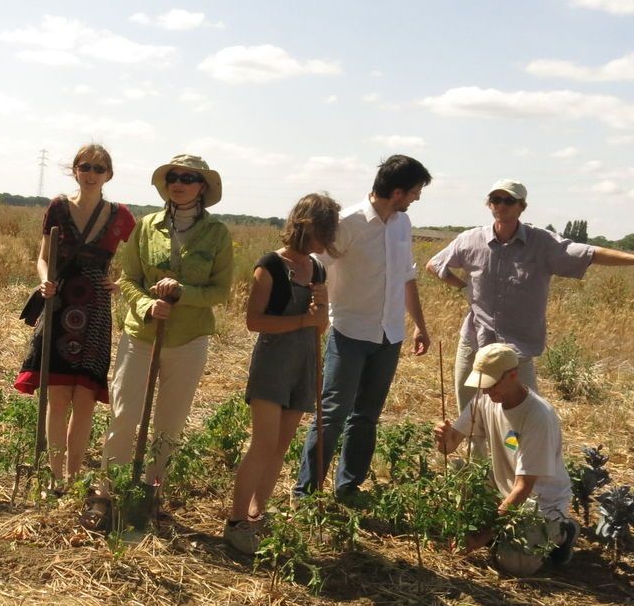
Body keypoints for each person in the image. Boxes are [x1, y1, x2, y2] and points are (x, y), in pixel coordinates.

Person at [80, 154, 233, 530]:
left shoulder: (217, 234)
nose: (178, 183)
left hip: (188, 338)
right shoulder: (146, 227)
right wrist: (148, 304)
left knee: (170, 422)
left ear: (202, 186)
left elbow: (221, 290)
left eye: (188, 177)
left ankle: (150, 493)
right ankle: (106, 493)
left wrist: (183, 293)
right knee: (124, 415)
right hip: (141, 335)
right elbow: (128, 279)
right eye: (173, 177)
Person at [427, 179, 634, 414]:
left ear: (522, 207)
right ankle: (477, 451)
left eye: (508, 200)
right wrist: (464, 287)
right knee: (469, 409)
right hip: (476, 340)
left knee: (522, 412)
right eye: (496, 200)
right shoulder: (470, 240)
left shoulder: (542, 243)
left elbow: (589, 254)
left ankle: (515, 450)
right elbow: (434, 264)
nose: (501, 205)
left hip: (517, 347)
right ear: (489, 204)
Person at [294, 154, 432, 499]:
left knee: (367, 416)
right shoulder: (349, 223)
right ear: (397, 192)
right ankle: (306, 493)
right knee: (332, 414)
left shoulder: (402, 223)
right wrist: (315, 309)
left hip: (389, 335)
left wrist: (419, 325)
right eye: (415, 192)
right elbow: (312, 265)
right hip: (349, 332)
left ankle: (348, 487)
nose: (417, 198)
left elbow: (407, 276)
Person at [15, 144, 135, 491]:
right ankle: (55, 478)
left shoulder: (121, 216)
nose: (91, 173)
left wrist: (122, 281)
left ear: (108, 174)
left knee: (84, 399)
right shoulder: (58, 207)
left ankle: (75, 474)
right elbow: (42, 257)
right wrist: (44, 282)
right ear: (75, 170)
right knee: (58, 398)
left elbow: (141, 261)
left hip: (96, 309)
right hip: (60, 303)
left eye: (99, 168)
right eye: (85, 166)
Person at [225, 194, 338, 554]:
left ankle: (258, 514)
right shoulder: (270, 266)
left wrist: (322, 309)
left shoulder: (317, 269)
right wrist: (305, 318)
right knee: (262, 442)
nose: (328, 240)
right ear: (307, 227)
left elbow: (318, 329)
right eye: (325, 231)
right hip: (273, 364)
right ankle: (236, 521)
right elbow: (253, 321)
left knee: (280, 445)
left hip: (303, 363)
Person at [433, 343, 579, 575]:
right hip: (505, 489)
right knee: (457, 470)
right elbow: (449, 447)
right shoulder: (485, 399)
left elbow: (524, 488)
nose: (487, 390)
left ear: (513, 375)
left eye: (492, 383)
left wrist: (480, 537)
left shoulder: (537, 416)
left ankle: (562, 531)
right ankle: (502, 529)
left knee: (514, 566)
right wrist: (443, 437)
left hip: (539, 503)